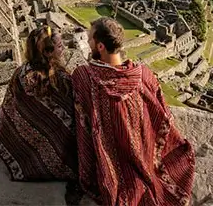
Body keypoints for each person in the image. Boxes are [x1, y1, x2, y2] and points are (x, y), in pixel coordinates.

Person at [72, 17, 195, 206]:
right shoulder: (144, 75)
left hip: (111, 170)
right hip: (146, 156)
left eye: (90, 40)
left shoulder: (84, 77)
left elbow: (83, 126)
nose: (87, 43)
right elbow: (163, 116)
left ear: (101, 47)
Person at [0, 25, 77, 183]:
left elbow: (9, 107)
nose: (64, 49)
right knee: (0, 114)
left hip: (24, 141)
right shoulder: (61, 79)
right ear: (48, 52)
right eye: (60, 46)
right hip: (56, 146)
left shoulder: (22, 72)